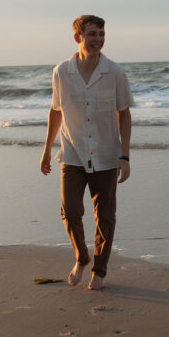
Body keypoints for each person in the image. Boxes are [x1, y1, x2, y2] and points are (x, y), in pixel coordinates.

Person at [40, 15, 133, 291]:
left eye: (101, 34)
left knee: (105, 215)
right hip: (72, 153)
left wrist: (125, 156)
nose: (98, 40)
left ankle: (100, 269)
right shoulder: (61, 72)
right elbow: (56, 111)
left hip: (106, 154)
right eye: (92, 34)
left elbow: (124, 114)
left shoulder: (115, 72)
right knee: (70, 211)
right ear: (78, 37)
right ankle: (82, 256)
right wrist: (46, 149)